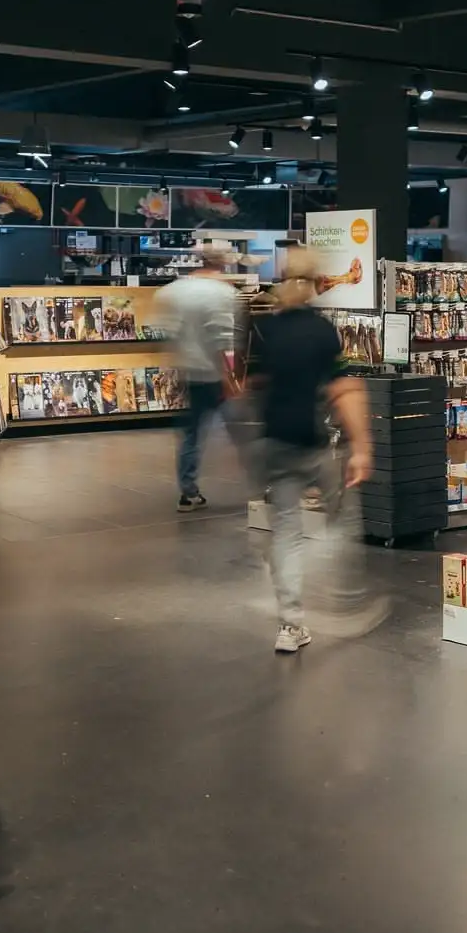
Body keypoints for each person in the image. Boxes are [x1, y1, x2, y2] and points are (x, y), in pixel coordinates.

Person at [245, 248, 372, 653]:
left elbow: (254, 384)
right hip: (311, 443)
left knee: (285, 532)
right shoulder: (322, 331)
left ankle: (290, 623)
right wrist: (361, 448)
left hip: (273, 442)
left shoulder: (267, 330)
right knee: (343, 520)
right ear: (318, 283)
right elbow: (343, 390)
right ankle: (339, 597)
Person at [154, 245, 239, 511]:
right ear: (222, 262)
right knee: (244, 431)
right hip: (215, 373)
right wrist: (229, 375)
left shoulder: (176, 290)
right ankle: (266, 487)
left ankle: (188, 492)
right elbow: (223, 337)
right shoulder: (224, 293)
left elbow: (166, 327)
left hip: (189, 371)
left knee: (190, 435)